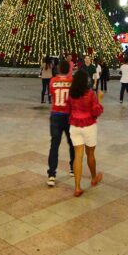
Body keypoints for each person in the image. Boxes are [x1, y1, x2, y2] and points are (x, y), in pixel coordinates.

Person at [66, 69, 104, 197]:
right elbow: (96, 112)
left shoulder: (71, 94)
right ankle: (93, 178)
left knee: (78, 156)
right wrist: (100, 99)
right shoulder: (90, 94)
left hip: (74, 126)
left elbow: (68, 109)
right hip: (89, 126)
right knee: (90, 154)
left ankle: (77, 187)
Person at [47, 59, 74, 187]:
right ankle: (73, 168)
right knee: (72, 143)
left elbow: (52, 94)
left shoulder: (53, 81)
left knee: (54, 145)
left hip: (56, 114)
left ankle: (51, 174)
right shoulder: (71, 81)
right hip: (69, 115)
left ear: (58, 69)